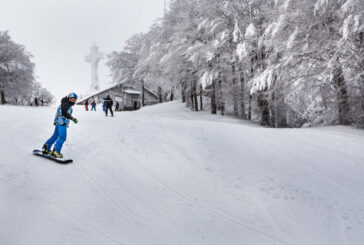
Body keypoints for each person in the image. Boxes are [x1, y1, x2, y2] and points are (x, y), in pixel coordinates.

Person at [42, 93, 78, 158]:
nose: (73, 101)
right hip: (62, 122)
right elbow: (64, 112)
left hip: (59, 122)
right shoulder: (66, 104)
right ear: (69, 98)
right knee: (62, 137)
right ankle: (56, 151)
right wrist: (72, 118)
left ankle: (46, 148)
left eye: (75, 100)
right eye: (72, 99)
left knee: (55, 136)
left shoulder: (65, 103)